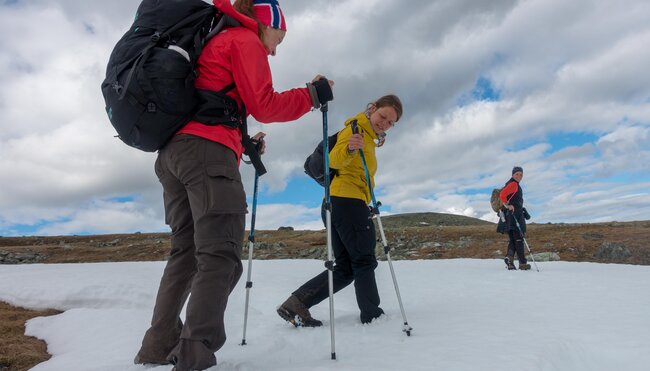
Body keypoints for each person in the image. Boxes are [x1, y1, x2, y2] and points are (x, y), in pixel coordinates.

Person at [134, 1, 333, 370]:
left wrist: (242, 142)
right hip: (206, 156)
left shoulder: (215, 40)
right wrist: (312, 95)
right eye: (278, 38)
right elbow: (266, 105)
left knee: (186, 255)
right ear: (264, 23)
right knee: (220, 258)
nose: (274, 49)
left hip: (175, 155)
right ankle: (193, 355)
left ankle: (158, 346)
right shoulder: (244, 39)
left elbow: (215, 102)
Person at [277, 94, 403, 327]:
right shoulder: (357, 130)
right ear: (372, 108)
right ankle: (372, 316)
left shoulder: (364, 133)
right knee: (364, 261)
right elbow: (332, 160)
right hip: (348, 202)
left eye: (390, 122)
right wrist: (350, 150)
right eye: (383, 116)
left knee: (346, 267)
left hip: (336, 203)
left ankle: (297, 303)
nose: (384, 123)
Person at [497, 166, 531, 270]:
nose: (519, 176)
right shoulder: (513, 184)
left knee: (513, 239)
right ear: (512, 175)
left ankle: (510, 260)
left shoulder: (512, 184)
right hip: (515, 216)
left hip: (510, 216)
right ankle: (522, 263)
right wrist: (508, 205)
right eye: (517, 174)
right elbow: (502, 195)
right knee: (519, 239)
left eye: (521, 174)